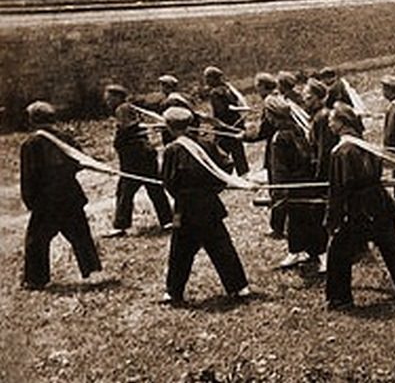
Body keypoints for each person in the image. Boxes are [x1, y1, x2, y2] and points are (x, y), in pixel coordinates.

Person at [324, 103, 395, 310]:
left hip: (357, 208)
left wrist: (332, 219)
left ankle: (340, 299)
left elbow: (338, 189)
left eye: (332, 120)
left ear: (342, 123)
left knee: (338, 251)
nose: (329, 123)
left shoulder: (340, 151)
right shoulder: (365, 144)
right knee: (391, 243)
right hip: (379, 201)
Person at [159, 106, 251, 304]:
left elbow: (168, 182)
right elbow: (226, 166)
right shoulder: (206, 144)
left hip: (186, 209)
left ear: (170, 127)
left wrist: (184, 194)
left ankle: (173, 292)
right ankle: (239, 287)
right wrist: (213, 189)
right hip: (210, 206)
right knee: (222, 246)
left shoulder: (172, 150)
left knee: (180, 251)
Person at [20, 101, 103, 290]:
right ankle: (92, 271)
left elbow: (29, 176)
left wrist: (30, 201)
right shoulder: (65, 137)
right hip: (70, 195)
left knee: (37, 240)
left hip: (46, 200)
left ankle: (36, 279)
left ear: (33, 119)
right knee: (81, 235)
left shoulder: (31, 143)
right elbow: (80, 161)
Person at [103, 84, 173, 237]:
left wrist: (120, 136)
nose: (107, 102)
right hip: (143, 155)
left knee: (124, 191)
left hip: (135, 157)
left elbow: (128, 127)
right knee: (154, 189)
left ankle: (120, 226)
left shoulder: (122, 109)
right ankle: (167, 220)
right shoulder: (129, 108)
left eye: (109, 99)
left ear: (117, 97)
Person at [266, 96, 327, 272]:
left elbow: (279, 169)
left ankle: (322, 256)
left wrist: (278, 192)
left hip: (294, 184)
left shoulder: (279, 138)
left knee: (308, 219)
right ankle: (297, 250)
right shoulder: (298, 128)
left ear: (272, 116)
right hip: (307, 180)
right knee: (297, 220)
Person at [243, 73, 284, 237]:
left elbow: (263, 131)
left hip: (277, 147)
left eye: (257, 86)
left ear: (262, 86)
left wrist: (245, 136)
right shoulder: (278, 97)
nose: (256, 90)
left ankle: (278, 227)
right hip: (278, 144)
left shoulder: (270, 103)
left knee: (276, 187)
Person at [203, 65, 249, 176]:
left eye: (207, 78)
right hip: (235, 125)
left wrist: (212, 122)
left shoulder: (215, 93)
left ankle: (221, 175)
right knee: (237, 150)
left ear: (214, 79)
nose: (206, 80)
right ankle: (244, 174)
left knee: (219, 153)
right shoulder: (228, 89)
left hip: (224, 127)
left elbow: (221, 111)